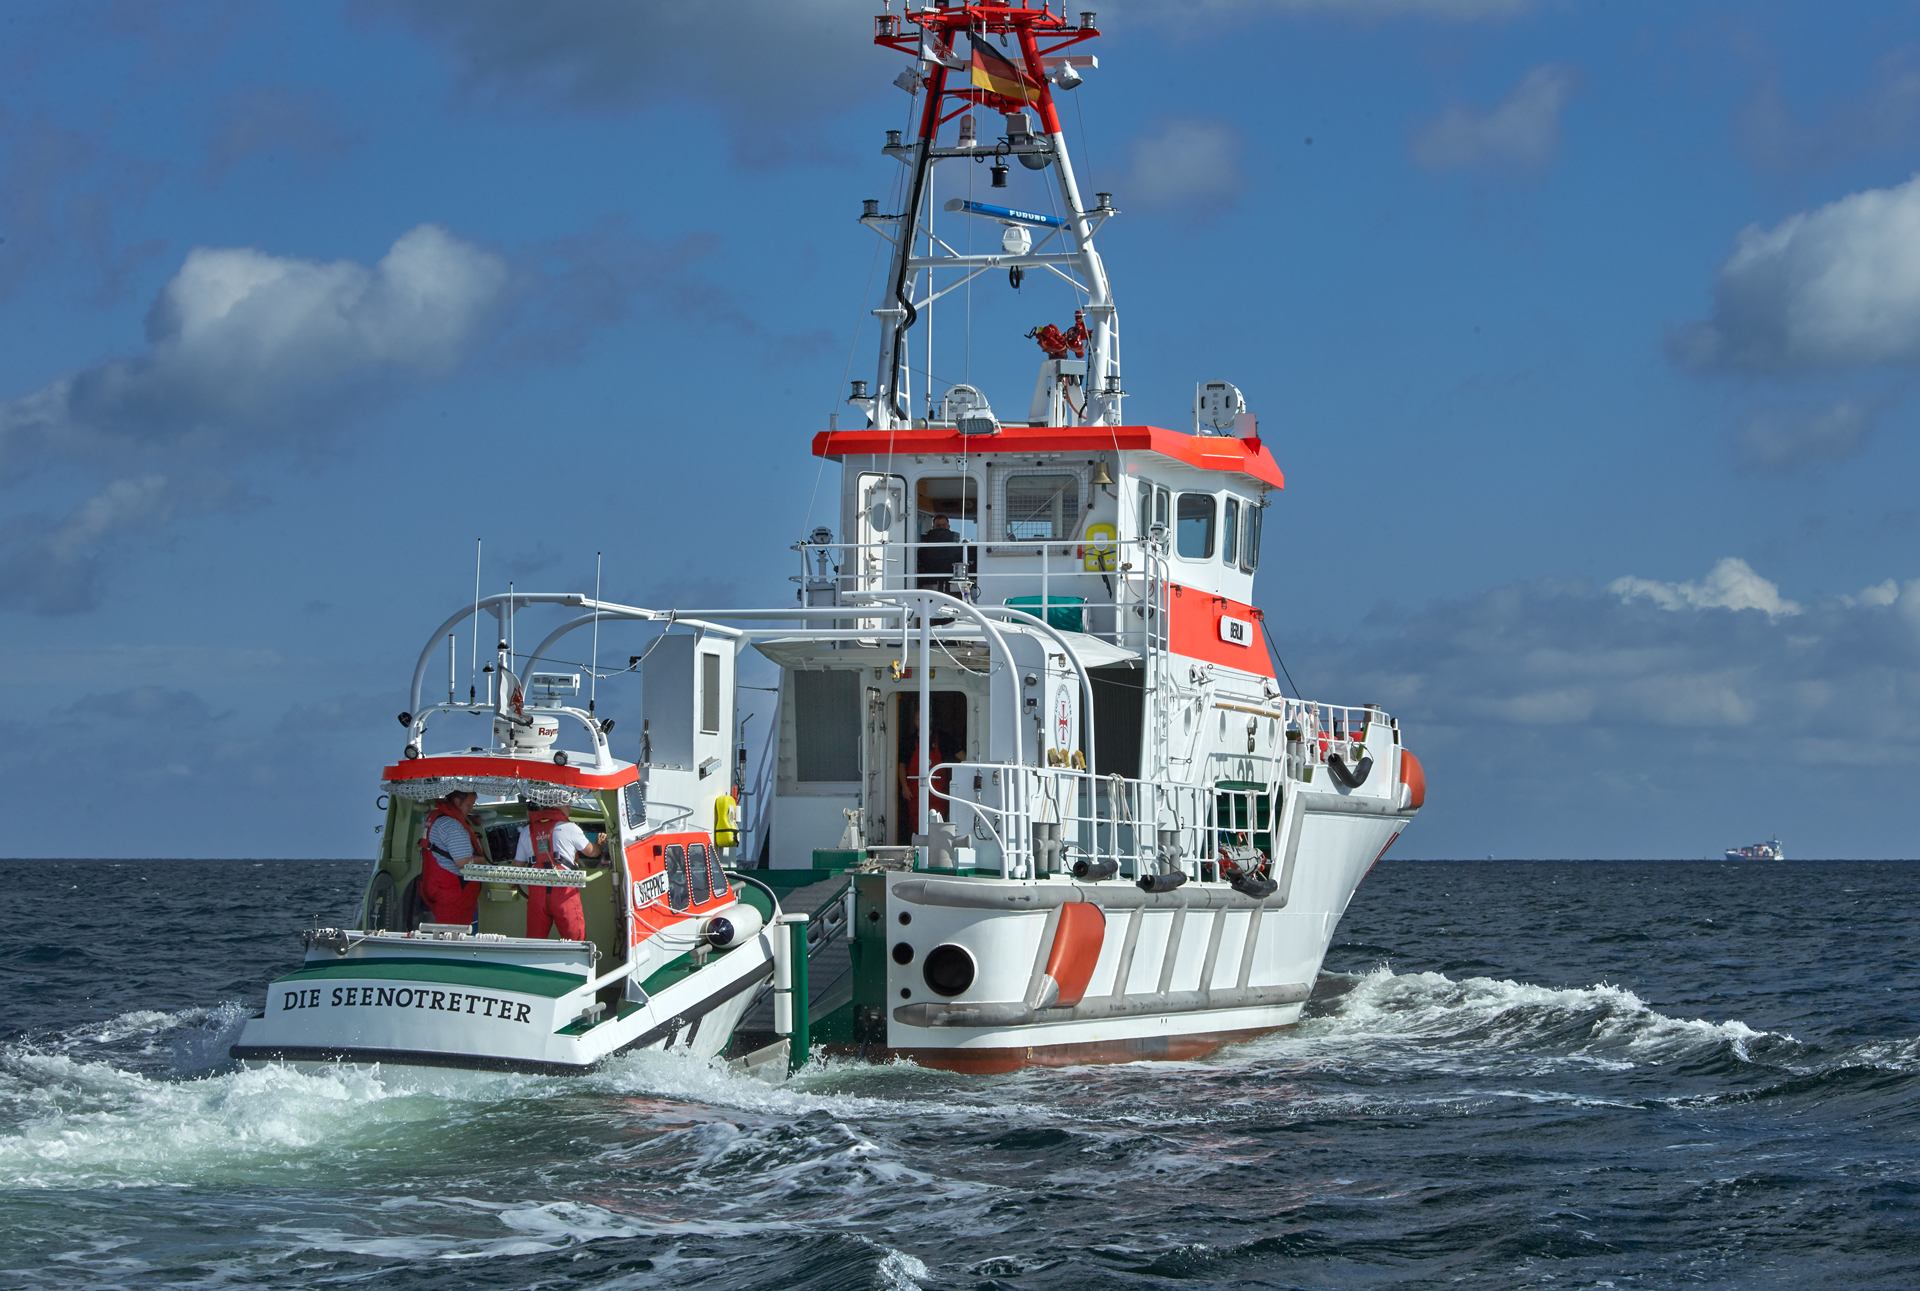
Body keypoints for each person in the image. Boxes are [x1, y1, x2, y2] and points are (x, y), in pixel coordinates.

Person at [516, 803, 609, 940]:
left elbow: (517, 866)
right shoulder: (570, 828)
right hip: (565, 894)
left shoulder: (526, 831)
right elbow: (592, 852)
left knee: (534, 942)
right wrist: (600, 845)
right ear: (556, 807)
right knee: (575, 941)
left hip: (537, 895)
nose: (570, 808)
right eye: (567, 805)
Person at [419, 789, 484, 926]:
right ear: (457, 802)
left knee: (441, 932)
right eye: (469, 804)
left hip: (433, 884)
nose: (472, 808)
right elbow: (464, 862)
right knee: (455, 936)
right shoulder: (453, 826)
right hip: (453, 892)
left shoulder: (435, 817)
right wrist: (487, 861)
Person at [896, 713, 954, 844]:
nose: (921, 721)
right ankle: (918, 850)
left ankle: (939, 850)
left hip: (939, 793)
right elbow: (901, 766)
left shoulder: (943, 739)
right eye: (918, 718)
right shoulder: (908, 742)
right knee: (916, 823)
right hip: (915, 793)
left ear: (931, 719)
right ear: (914, 721)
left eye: (925, 718)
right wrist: (904, 787)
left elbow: (961, 756)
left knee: (939, 824)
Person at [916, 513, 964, 592]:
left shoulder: (925, 542)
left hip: (930, 574)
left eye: (943, 525)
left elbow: (920, 556)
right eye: (939, 526)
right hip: (950, 574)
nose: (941, 528)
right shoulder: (956, 542)